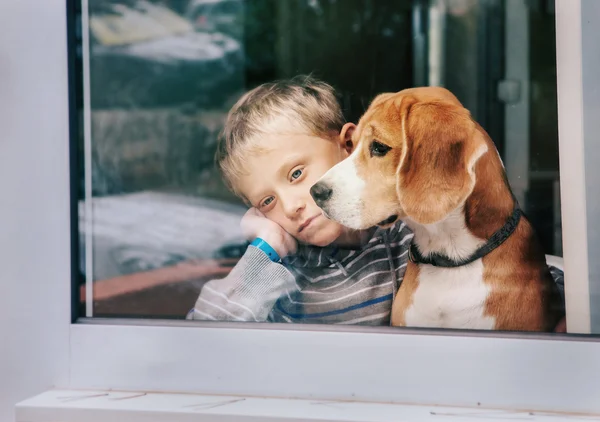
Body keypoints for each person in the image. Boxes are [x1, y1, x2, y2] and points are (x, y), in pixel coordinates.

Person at [187, 75, 565, 328]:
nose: (291, 206)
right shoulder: (283, 272)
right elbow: (202, 333)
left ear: (348, 145)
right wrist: (265, 249)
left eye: (297, 174)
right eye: (267, 201)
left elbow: (504, 266)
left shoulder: (402, 243)